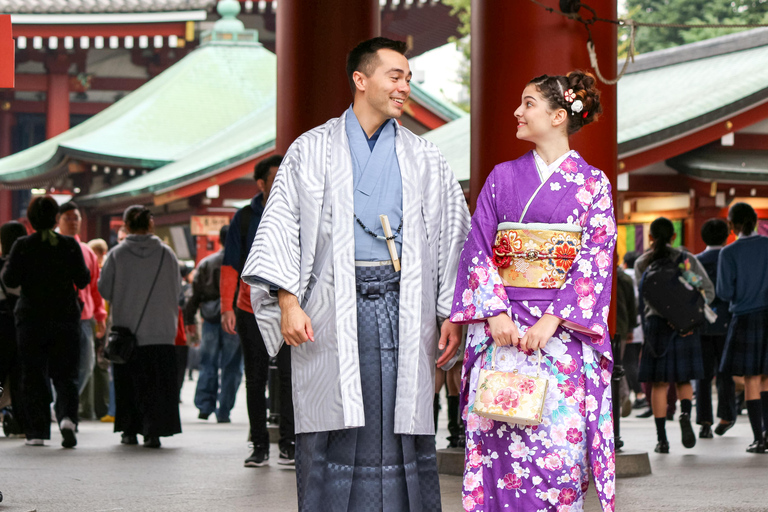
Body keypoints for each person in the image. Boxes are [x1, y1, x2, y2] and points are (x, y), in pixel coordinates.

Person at [243, 37, 470, 511]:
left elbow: (453, 238)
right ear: (361, 80)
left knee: (401, 421)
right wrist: (287, 302)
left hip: (405, 308)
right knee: (334, 418)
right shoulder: (311, 150)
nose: (405, 86)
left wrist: (452, 313)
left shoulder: (425, 157)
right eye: (395, 76)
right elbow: (282, 227)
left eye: (409, 77)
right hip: (328, 311)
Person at [450, 71, 616, 511]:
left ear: (558, 116)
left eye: (528, 104)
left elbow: (595, 259)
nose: (517, 112)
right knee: (497, 449)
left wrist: (552, 317)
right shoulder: (502, 178)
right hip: (502, 334)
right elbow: (478, 248)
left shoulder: (593, 184)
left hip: (560, 340)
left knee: (557, 456)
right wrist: (494, 313)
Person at [220, 154, 295, 467]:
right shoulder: (245, 217)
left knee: (292, 377)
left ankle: (289, 442)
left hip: (291, 308)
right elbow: (230, 265)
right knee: (255, 377)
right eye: (275, 177)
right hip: (250, 307)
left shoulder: (297, 211)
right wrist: (227, 307)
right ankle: (259, 444)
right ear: (261, 183)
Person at [1, 196, 90, 448]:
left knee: (34, 374)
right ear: (55, 219)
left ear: (30, 220)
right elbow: (83, 279)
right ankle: (68, 420)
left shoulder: (23, 245)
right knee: (66, 373)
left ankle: (38, 430)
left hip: (31, 320)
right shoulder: (69, 245)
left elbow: (10, 279)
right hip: (65, 318)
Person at [98, 205, 181, 448]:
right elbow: (177, 291)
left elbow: (104, 290)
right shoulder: (167, 254)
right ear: (151, 224)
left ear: (125, 226)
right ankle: (153, 432)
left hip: (127, 332)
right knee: (157, 384)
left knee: (128, 382)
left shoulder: (116, 254)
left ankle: (129, 430)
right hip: (161, 331)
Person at [636, 217, 714, 454]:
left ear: (650, 237)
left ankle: (662, 440)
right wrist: (687, 315)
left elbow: (647, 296)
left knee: (659, 384)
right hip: (685, 328)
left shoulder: (643, 263)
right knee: (684, 379)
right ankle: (685, 415)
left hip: (657, 327)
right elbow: (706, 291)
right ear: (674, 237)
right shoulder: (685, 259)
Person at [717, 202, 768, 453]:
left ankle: (759, 438)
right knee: (767, 378)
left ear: (731, 225)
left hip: (746, 317)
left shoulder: (728, 253)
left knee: (751, 378)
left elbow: (724, 293)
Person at [185, 225, 243, 423]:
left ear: (219, 240)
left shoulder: (206, 263)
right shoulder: (242, 262)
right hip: (234, 318)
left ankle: (204, 406)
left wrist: (189, 318)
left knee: (207, 363)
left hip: (210, 318)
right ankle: (224, 410)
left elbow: (195, 294)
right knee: (232, 365)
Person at [56, 202, 107, 398]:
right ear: (58, 221)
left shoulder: (87, 252)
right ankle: (58, 404)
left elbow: (94, 288)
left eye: (76, 218)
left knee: (86, 364)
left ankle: (64, 402)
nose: (73, 222)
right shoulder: (50, 248)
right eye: (67, 218)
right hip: (56, 315)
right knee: (56, 364)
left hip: (84, 316)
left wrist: (100, 316)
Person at [695, 218, 736, 439]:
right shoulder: (730, 258)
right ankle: (726, 416)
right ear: (726, 235)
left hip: (702, 323)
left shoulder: (695, 261)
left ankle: (704, 422)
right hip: (728, 322)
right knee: (725, 372)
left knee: (702, 374)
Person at [0, 221, 29, 436]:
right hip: (24, 323)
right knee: (20, 375)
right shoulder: (31, 266)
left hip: (1, 324)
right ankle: (21, 421)